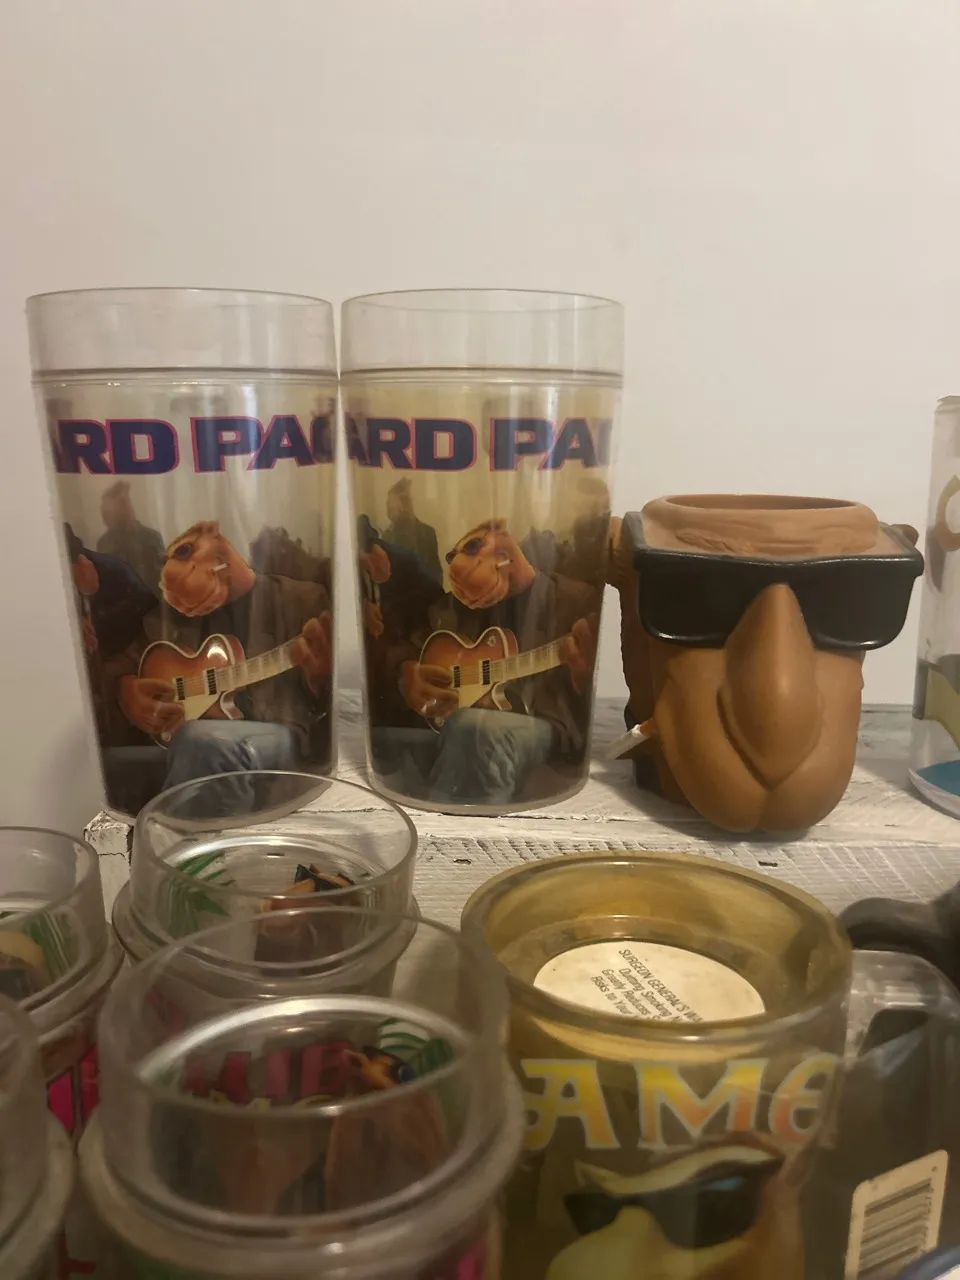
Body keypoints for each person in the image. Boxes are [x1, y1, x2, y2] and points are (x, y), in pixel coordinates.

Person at [99, 521, 332, 811]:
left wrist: (320, 680)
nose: (183, 607)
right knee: (123, 764)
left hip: (282, 733)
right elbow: (122, 664)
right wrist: (124, 689)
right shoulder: (166, 619)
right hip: (189, 741)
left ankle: (180, 833)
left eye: (185, 552)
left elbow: (330, 703)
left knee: (203, 741)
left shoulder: (303, 599)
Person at [377, 518, 599, 806]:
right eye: (451, 557)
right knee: (387, 739)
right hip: (451, 727)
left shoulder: (574, 600)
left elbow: (579, 709)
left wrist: (582, 680)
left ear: (503, 541)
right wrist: (404, 672)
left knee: (477, 728)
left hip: (541, 728)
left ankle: (449, 823)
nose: (459, 564)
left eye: (472, 546)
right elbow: (405, 649)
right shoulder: (448, 610)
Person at [97, 480, 166, 593]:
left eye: (109, 512)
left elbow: (162, 580)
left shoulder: (151, 538)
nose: (104, 517)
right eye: (104, 513)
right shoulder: (104, 543)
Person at [382, 478, 443, 584]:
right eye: (388, 503)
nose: (388, 507)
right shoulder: (387, 536)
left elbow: (436, 574)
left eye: (391, 503)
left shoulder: (427, 533)